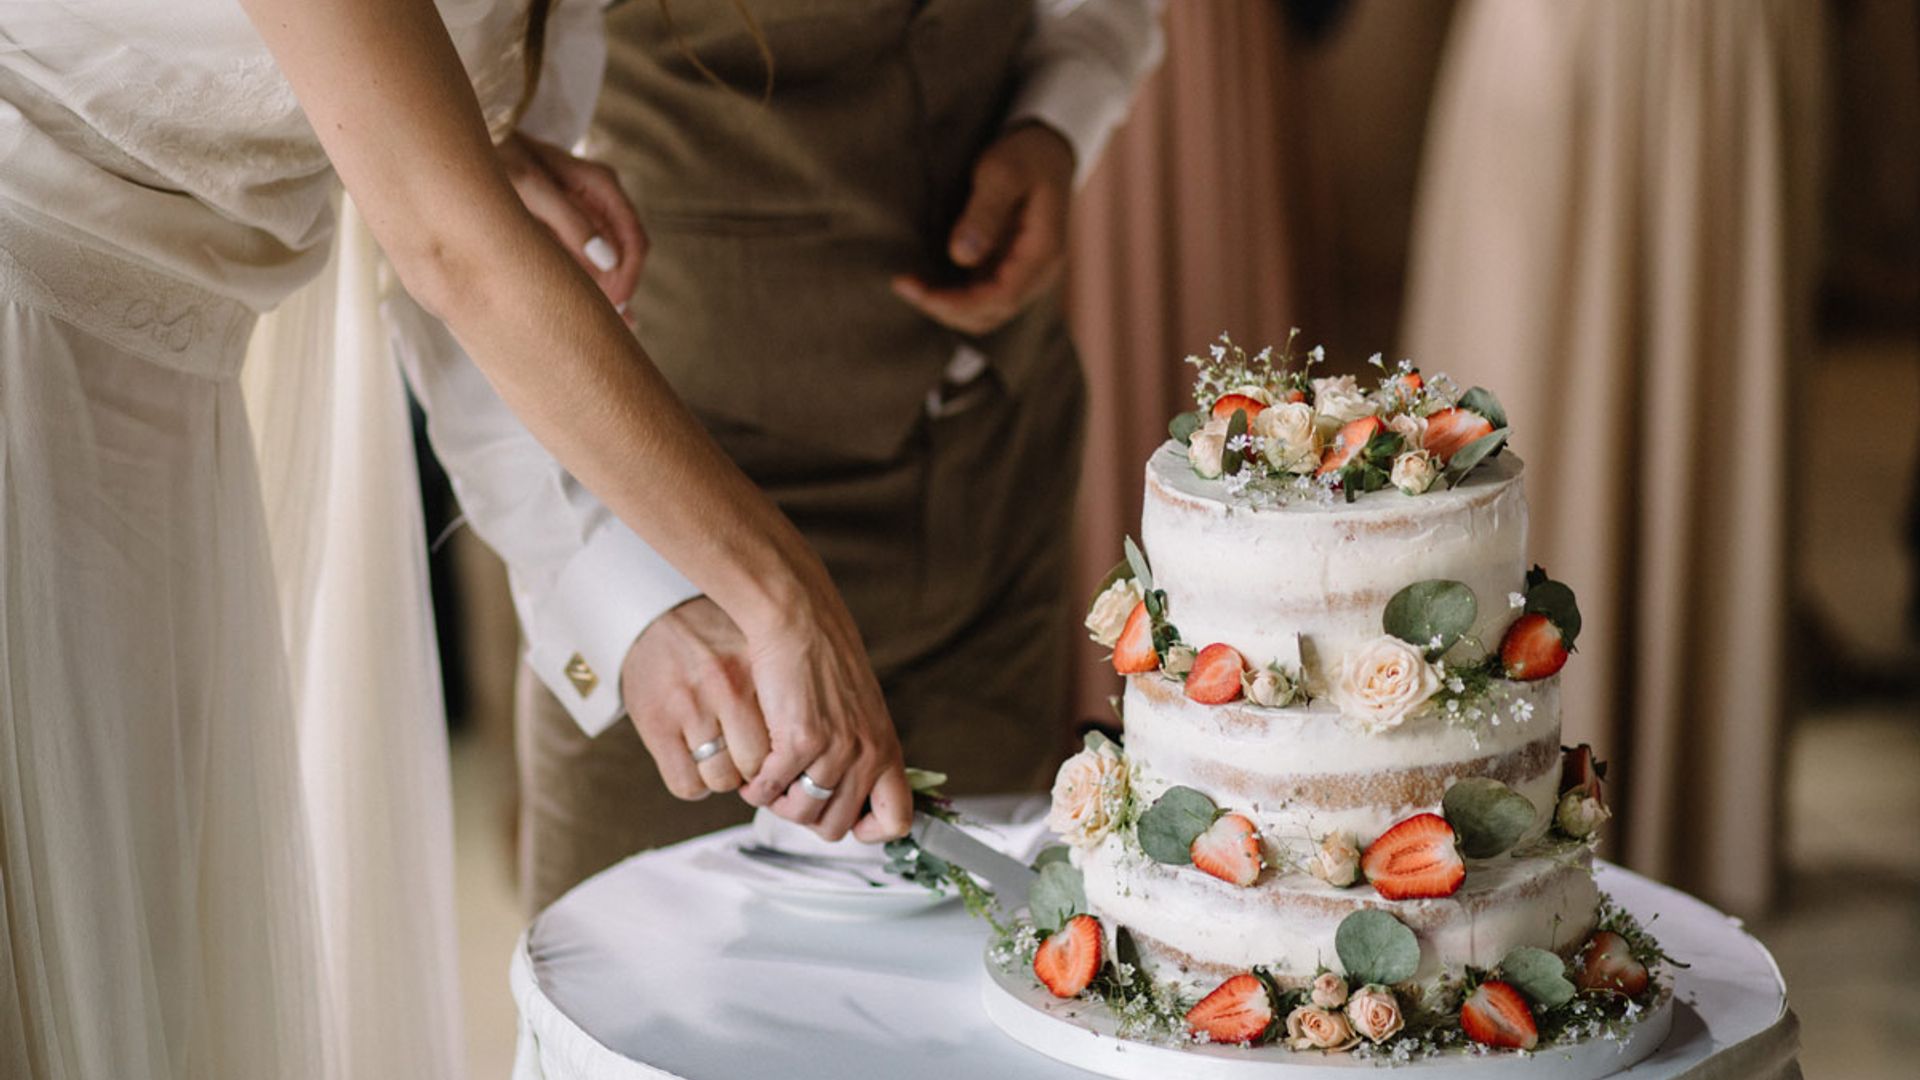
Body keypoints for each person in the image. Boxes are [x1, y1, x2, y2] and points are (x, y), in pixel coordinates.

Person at [0, 1, 909, 1077]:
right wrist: (784, 595)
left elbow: (476, 249)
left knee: (125, 957)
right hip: (25, 358)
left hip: (167, 428)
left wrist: (635, 600)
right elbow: (453, 243)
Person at [419, 0, 1164, 912]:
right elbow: (448, 217)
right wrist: (614, 586)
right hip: (682, 564)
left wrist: (1058, 120)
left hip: (999, 483)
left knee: (971, 1007)